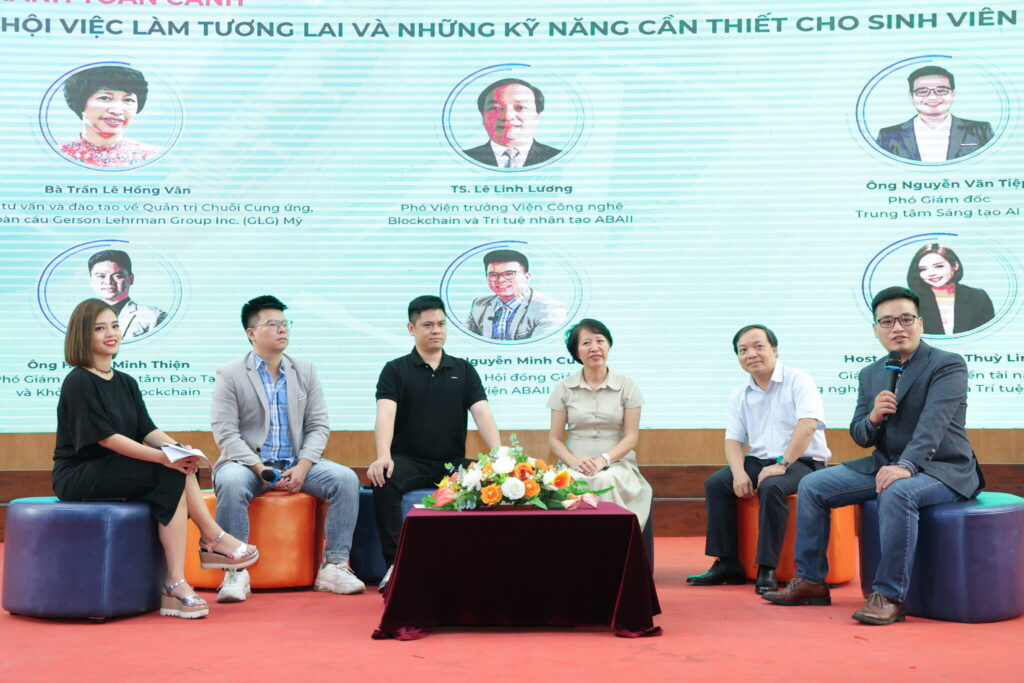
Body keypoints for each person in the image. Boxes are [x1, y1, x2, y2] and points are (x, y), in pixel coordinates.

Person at [763, 286, 984, 625]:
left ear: (921, 324)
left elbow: (933, 425)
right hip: (885, 463)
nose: (898, 327)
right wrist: (873, 418)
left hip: (943, 469)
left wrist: (907, 466)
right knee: (812, 485)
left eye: (906, 319)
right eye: (888, 321)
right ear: (876, 329)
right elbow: (859, 434)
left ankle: (889, 596)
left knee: (897, 491)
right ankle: (810, 581)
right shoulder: (870, 373)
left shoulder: (947, 365)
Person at [52, 299, 258, 619]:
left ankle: (180, 578)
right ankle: (210, 541)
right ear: (82, 335)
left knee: (181, 467)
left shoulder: (125, 382)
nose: (111, 333)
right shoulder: (79, 380)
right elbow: (107, 438)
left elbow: (146, 429)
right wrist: (163, 458)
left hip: (115, 468)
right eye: (99, 328)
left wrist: (179, 450)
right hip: (80, 472)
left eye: (115, 325)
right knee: (169, 470)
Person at [211, 295, 364, 602]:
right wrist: (260, 468)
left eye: (285, 324)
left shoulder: (304, 371)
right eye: (273, 324)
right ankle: (236, 571)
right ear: (251, 333)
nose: (282, 330)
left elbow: (319, 426)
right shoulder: (230, 374)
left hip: (295, 462)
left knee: (346, 479)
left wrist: (304, 466)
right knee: (230, 482)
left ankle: (333, 566)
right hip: (248, 466)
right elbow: (225, 433)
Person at [369, 295, 501, 591]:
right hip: (410, 461)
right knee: (382, 479)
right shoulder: (395, 369)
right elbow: (385, 414)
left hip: (452, 464)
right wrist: (383, 455)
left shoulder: (464, 369)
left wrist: (500, 455)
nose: (436, 330)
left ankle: (487, 565)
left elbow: (483, 414)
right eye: (427, 324)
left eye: (441, 324)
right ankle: (394, 565)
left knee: (496, 480)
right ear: (411, 328)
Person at [687, 325, 831, 594]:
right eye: (743, 350)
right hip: (760, 459)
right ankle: (728, 562)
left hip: (802, 460)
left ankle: (767, 567)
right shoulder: (740, 394)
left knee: (772, 487)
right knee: (717, 484)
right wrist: (739, 472)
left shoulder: (799, 380)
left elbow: (808, 424)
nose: (751, 354)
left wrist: (782, 464)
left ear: (774, 349)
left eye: (758, 346)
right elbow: (733, 439)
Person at [547, 319, 653, 529]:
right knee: (572, 480)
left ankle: (614, 541)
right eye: (586, 343)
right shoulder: (563, 387)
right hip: (574, 461)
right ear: (576, 352)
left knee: (606, 480)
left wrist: (603, 460)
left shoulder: (627, 385)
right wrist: (574, 462)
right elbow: (554, 439)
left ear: (608, 345)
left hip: (617, 463)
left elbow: (632, 437)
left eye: (600, 341)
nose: (594, 347)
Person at [876, 65, 993, 162]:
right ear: (911, 97)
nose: (932, 97)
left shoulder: (980, 130)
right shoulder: (888, 135)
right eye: (922, 91)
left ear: (953, 94)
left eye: (941, 90)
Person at [60, 65, 163, 168]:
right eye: (105, 98)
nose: (117, 111)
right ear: (80, 102)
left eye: (128, 100)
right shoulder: (60, 155)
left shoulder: (153, 156)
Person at [465, 249, 567, 340]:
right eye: (493, 275)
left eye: (509, 274)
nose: (500, 280)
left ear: (527, 276)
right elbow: (469, 342)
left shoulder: (548, 309)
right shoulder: (479, 304)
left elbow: (540, 350)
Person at [462, 78, 562, 168]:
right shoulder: (464, 159)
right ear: (483, 116)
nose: (507, 116)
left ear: (537, 115)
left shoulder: (559, 159)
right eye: (496, 108)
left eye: (520, 108)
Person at [906, 243, 994, 335]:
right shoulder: (911, 302)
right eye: (923, 269)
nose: (931, 273)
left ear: (955, 266)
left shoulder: (978, 297)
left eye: (938, 266)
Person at [87, 249, 167, 340]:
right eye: (101, 276)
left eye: (117, 276)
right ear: (90, 280)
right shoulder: (82, 319)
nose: (109, 282)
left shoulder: (152, 316)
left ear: (131, 279)